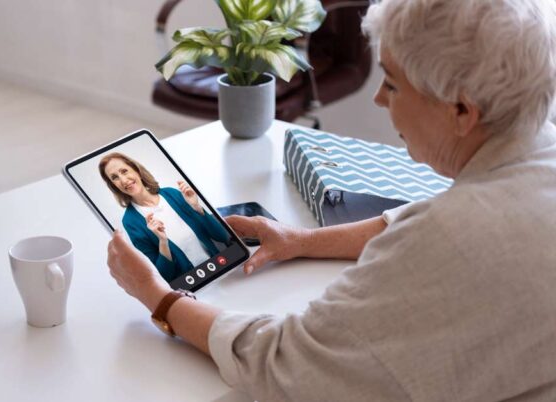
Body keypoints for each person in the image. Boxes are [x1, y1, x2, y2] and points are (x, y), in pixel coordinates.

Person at [106, 0, 556, 400]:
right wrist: (299, 239)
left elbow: (284, 364)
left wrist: (158, 298)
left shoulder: (453, 237)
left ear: (461, 111)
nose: (379, 99)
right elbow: (423, 217)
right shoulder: (539, 151)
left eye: (393, 84)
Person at [99, 152, 230, 282]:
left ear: (137, 171)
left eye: (124, 171)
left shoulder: (173, 194)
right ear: (113, 186)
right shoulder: (130, 221)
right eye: (115, 177)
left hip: (219, 268)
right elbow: (163, 276)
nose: (123, 180)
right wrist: (163, 242)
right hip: (191, 286)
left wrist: (197, 208)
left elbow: (223, 236)